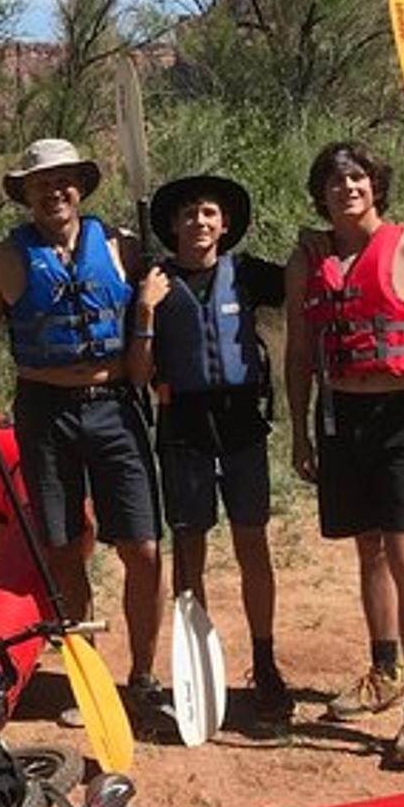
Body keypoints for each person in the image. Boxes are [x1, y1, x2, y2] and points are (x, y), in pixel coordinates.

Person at [0, 139, 164, 724]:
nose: (54, 192)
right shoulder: (3, 261)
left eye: (64, 181)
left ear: (81, 187)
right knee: (65, 547)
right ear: (26, 195)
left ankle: (142, 676)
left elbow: (160, 319)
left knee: (142, 548)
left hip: (116, 405)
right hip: (46, 410)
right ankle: (85, 676)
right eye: (42, 183)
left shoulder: (123, 246)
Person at [283, 141, 404, 768]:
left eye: (359, 177)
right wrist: (299, 430)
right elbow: (297, 353)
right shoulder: (306, 261)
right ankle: (384, 669)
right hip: (340, 416)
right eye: (336, 180)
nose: (348, 187)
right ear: (323, 192)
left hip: (403, 416)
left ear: (375, 185)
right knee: (367, 546)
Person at [123, 172, 294, 728]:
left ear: (224, 225)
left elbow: (308, 282)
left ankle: (264, 664)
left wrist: (319, 243)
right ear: (172, 225)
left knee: (252, 542)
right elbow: (138, 374)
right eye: (189, 214)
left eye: (209, 213)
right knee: (189, 547)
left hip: (241, 423)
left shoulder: (246, 274)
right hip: (184, 428)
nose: (199, 222)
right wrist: (146, 312)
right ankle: (197, 668)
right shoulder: (154, 282)